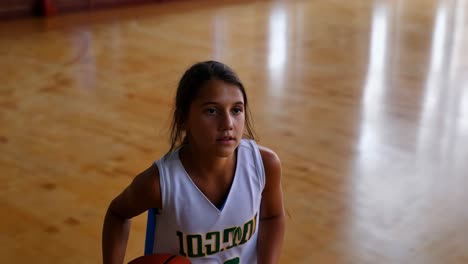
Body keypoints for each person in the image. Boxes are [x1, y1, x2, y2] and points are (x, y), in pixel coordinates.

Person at [102, 61, 285, 264]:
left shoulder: (265, 165)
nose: (228, 124)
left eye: (236, 110)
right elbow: (118, 213)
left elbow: (272, 216)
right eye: (212, 111)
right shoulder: (160, 183)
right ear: (183, 119)